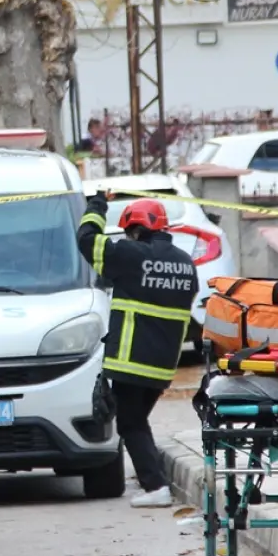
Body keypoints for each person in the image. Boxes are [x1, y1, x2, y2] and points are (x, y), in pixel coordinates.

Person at [77, 192, 199, 507]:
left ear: (137, 230)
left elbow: (87, 239)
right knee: (137, 421)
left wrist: (96, 205)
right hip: (163, 365)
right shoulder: (185, 263)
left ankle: (155, 486)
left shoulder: (131, 255)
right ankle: (154, 475)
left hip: (132, 360)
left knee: (129, 423)